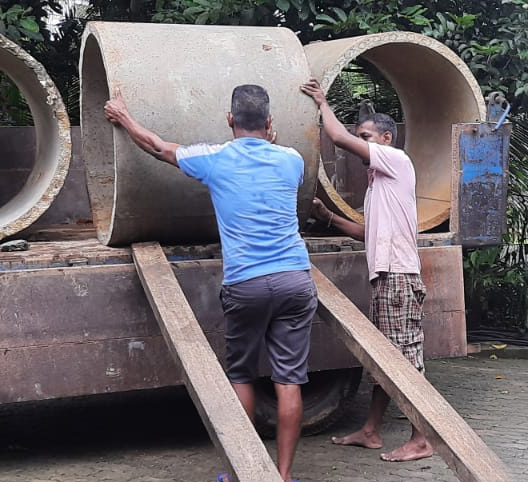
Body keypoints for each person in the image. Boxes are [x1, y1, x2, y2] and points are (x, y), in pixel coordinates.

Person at [104, 85, 316, 482]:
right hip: (294, 278)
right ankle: (284, 477)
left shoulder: (215, 158)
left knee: (241, 376)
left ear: (229, 120)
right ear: (270, 123)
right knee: (289, 382)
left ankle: (242, 474)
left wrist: (124, 117)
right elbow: (274, 160)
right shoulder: (292, 159)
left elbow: (157, 147)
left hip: (246, 283)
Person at [300, 78, 432, 463]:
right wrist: (330, 218)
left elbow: (338, 138)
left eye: (367, 136)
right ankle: (371, 431)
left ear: (386, 138)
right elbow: (367, 232)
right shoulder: (379, 185)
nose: (361, 142)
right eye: (362, 136)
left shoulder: (396, 160)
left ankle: (422, 438)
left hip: (398, 276)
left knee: (404, 360)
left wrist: (323, 103)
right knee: (386, 358)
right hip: (387, 275)